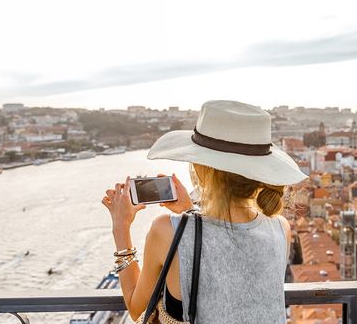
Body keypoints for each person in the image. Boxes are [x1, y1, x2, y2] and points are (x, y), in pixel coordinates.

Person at [102, 100, 308, 323]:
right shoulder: (281, 228)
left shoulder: (166, 231)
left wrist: (121, 227)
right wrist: (189, 211)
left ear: (200, 169)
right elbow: (230, 277)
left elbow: (136, 308)